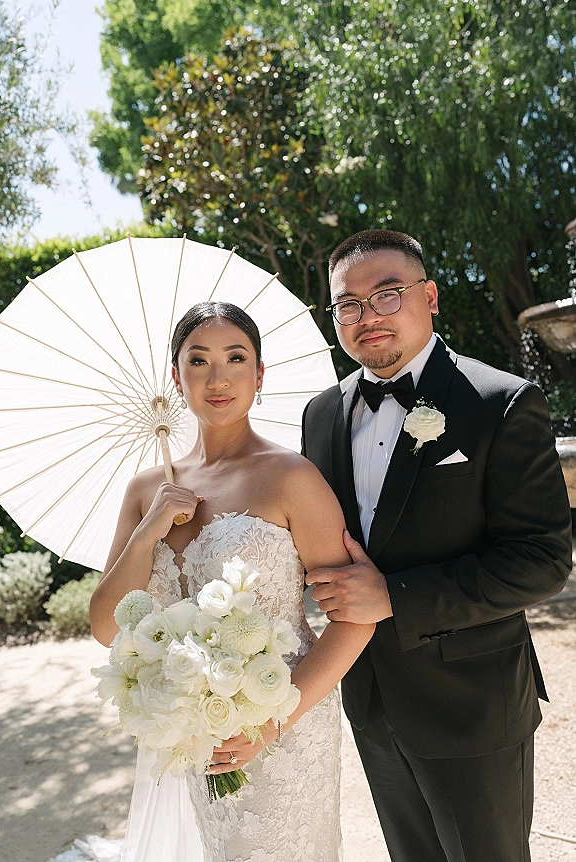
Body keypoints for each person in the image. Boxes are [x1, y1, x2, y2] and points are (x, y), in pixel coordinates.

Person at [302, 229, 573, 862]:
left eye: (387, 294)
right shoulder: (321, 416)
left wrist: (392, 597)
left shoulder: (501, 402)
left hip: (472, 706)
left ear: (430, 297)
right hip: (369, 699)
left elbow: (543, 561)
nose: (367, 316)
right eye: (348, 303)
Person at [90, 301, 374, 862]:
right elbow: (105, 627)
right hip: (192, 730)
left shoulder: (292, 476)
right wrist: (147, 532)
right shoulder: (147, 488)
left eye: (235, 358)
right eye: (198, 361)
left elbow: (355, 618)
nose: (217, 378)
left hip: (285, 720)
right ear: (177, 378)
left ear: (259, 375)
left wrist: (269, 724)